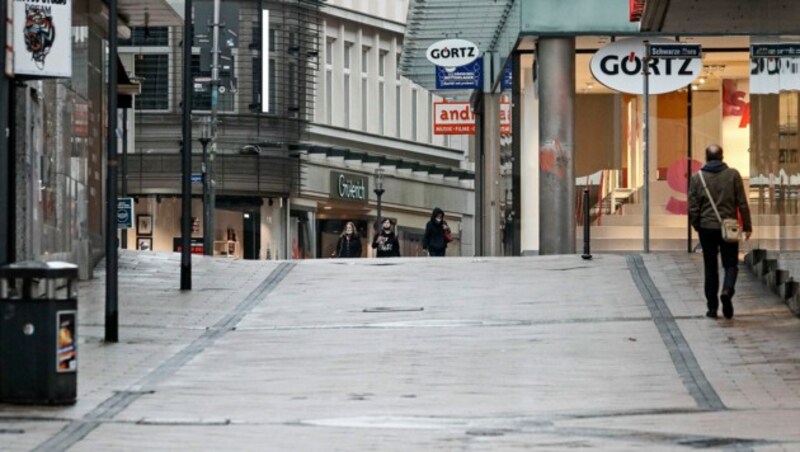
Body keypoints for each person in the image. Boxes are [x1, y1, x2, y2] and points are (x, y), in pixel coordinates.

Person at [688, 144, 752, 320]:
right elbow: (742, 203)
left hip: (707, 228)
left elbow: (693, 207)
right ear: (722, 157)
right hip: (729, 228)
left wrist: (697, 225)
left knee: (710, 268)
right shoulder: (733, 175)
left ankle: (712, 308)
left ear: (706, 157)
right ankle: (727, 290)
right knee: (731, 263)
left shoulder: (697, 178)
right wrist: (747, 226)